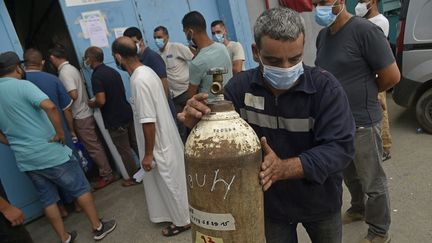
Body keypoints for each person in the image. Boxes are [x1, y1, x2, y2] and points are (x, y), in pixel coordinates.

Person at [179, 8, 355, 243]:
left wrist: (284, 168)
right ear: (255, 52)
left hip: (320, 200)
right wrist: (195, 125)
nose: (285, 68)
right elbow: (216, 146)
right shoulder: (238, 90)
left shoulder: (326, 89)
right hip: (270, 205)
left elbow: (340, 148)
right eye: (273, 60)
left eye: (294, 59)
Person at [0, 51, 116, 243]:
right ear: (17, 68)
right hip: (50, 151)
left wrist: (13, 142)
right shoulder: (23, 86)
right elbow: (51, 106)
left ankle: (64, 238)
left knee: (48, 199)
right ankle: (97, 226)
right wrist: (60, 132)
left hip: (26, 158)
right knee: (80, 188)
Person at [314, 0, 400, 242]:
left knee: (372, 179)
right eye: (314, 2)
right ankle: (358, 208)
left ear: (341, 1)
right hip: (336, 122)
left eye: (323, 1)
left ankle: (379, 231)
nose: (318, 7)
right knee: (349, 175)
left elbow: (392, 75)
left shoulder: (365, 31)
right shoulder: (323, 36)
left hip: (362, 119)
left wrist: (370, 92)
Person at [111, 37, 190, 237]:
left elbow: (148, 120)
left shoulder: (139, 79)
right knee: (170, 181)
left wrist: (147, 154)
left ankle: (182, 222)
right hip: (164, 137)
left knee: (170, 181)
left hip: (159, 142)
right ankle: (180, 215)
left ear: (118, 57)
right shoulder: (147, 72)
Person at [48, 47, 114, 190]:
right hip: (85, 113)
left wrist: (62, 104)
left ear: (53, 58)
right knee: (94, 146)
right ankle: (104, 172)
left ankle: (107, 174)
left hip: (81, 115)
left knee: (93, 148)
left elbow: (73, 94)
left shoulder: (64, 73)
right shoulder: (71, 68)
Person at [84, 46, 139, 187]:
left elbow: (101, 100)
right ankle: (148, 169)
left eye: (86, 58)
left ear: (90, 59)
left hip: (114, 119)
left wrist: (92, 104)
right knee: (136, 144)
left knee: (124, 151)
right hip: (126, 113)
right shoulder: (113, 71)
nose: (86, 61)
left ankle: (134, 178)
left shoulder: (96, 77)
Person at [355, 0, 392, 161]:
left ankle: (385, 147)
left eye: (363, 0)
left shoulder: (381, 22)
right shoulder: (363, 22)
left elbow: (374, 52)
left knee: (381, 112)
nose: (360, 4)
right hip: (364, 77)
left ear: (374, 2)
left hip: (376, 76)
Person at [123, 27, 177, 119]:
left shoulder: (152, 57)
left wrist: (162, 108)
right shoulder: (138, 59)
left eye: (134, 42)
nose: (132, 46)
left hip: (163, 110)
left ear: (141, 41)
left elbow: (164, 83)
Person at [153, 25, 194, 142]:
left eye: (159, 37)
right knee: (180, 127)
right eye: (155, 37)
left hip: (186, 93)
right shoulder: (157, 56)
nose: (157, 40)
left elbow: (195, 59)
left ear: (166, 37)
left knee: (193, 122)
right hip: (173, 98)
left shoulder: (176, 48)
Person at [182, 11, 233, 100]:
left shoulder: (197, 63)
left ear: (190, 32)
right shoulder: (222, 48)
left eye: (185, 33)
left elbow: (191, 97)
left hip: (211, 109)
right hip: (231, 101)